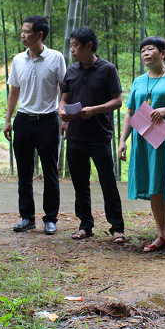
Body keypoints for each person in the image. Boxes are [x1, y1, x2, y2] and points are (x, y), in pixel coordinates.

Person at [118, 36, 165, 260]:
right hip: (145, 140)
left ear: (163, 53)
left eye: (150, 49)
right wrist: (123, 141)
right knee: (155, 188)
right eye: (142, 50)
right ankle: (162, 235)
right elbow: (130, 112)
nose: (145, 53)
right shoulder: (139, 81)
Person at [59, 27, 125, 242]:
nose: (72, 50)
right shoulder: (72, 70)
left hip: (99, 135)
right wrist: (62, 112)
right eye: (71, 46)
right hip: (75, 135)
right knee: (80, 183)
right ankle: (85, 225)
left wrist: (94, 110)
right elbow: (65, 98)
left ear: (89, 46)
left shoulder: (107, 69)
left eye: (75, 46)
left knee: (107, 182)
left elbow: (117, 101)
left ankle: (117, 227)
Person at [3, 15, 67, 235]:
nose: (22, 35)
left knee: (50, 172)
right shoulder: (18, 59)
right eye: (22, 31)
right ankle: (27, 217)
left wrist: (65, 118)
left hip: (48, 121)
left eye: (26, 31)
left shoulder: (56, 58)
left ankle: (50, 218)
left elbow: (64, 90)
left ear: (40, 34)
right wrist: (8, 120)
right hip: (23, 120)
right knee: (24, 172)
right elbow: (14, 91)